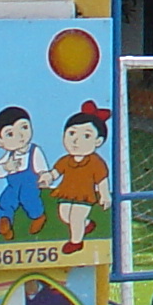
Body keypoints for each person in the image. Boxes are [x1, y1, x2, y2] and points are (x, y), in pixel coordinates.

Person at [46, 103, 112, 255]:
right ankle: (87, 225)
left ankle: (76, 243)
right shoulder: (66, 160)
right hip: (67, 192)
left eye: (86, 136)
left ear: (98, 141)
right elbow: (56, 172)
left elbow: (101, 179)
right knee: (64, 215)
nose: (76, 140)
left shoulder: (95, 162)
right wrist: (48, 177)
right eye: (71, 134)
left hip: (84, 195)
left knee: (76, 217)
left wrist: (105, 194)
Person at [0, 107, 46, 241]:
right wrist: (5, 167)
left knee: (29, 198)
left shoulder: (34, 151)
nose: (20, 136)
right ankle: (4, 222)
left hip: (30, 184)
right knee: (6, 200)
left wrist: (44, 176)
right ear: (0, 142)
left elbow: (42, 168)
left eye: (24, 127)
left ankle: (38, 216)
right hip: (13, 186)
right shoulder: (9, 155)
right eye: (10, 134)